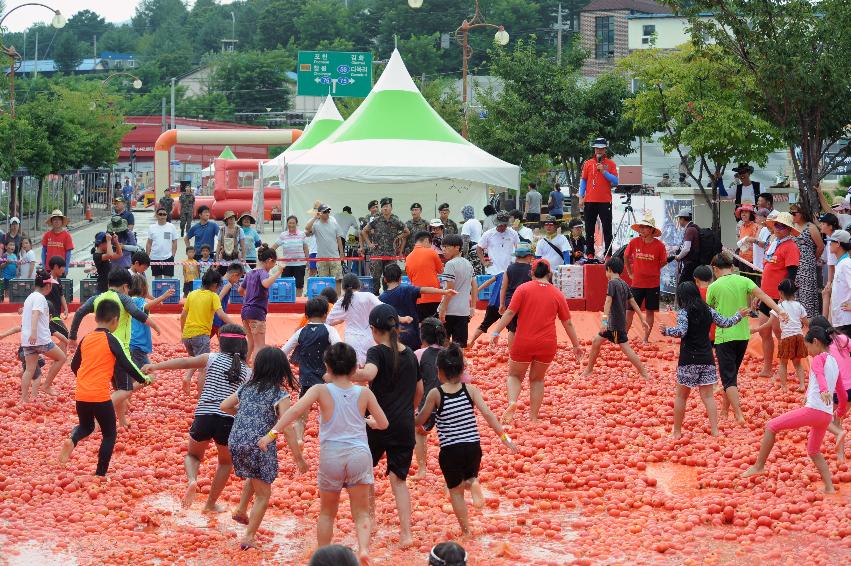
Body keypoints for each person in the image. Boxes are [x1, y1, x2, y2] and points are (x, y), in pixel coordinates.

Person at [263, 342, 388, 564]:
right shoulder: (364, 392)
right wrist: (370, 422)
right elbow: (384, 423)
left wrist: (271, 435)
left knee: (327, 513)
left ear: (327, 368)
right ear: (354, 369)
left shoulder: (320, 390)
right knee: (361, 513)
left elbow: (294, 411)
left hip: (332, 454)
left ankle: (323, 556)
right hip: (359, 453)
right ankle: (364, 550)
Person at [142, 324, 250, 511]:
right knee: (225, 462)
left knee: (193, 455)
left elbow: (185, 362)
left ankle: (192, 480)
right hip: (228, 420)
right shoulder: (247, 372)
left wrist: (155, 366)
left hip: (204, 416)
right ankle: (210, 504)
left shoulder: (212, 358)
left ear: (221, 343)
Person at [415, 344, 518, 535]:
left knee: (455, 491)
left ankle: (466, 531)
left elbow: (421, 420)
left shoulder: (436, 394)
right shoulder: (470, 390)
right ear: (462, 370)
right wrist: (505, 438)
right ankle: (473, 482)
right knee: (468, 477)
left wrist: (409, 417)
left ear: (439, 372)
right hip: (473, 447)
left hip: (450, 451)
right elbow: (488, 414)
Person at [220, 347, 307, 550]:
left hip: (236, 440)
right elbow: (286, 428)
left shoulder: (246, 387)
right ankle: (248, 538)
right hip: (259, 444)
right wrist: (298, 458)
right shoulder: (280, 394)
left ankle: (241, 509)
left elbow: (224, 405)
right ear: (281, 370)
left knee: (254, 473)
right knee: (263, 494)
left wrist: (243, 417)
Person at [353, 304, 423, 549]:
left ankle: (370, 522)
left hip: (377, 424)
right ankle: (406, 534)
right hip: (403, 425)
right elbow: (420, 390)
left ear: (374, 329)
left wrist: (343, 373)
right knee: (399, 481)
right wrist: (408, 410)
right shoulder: (411, 354)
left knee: (366, 474)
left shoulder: (377, 352)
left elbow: (369, 373)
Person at [58, 300, 151, 476]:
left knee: (86, 427)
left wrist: (85, 380)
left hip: (81, 394)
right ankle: (100, 474)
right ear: (115, 320)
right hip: (100, 396)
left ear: (96, 318)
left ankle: (72, 439)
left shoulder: (86, 338)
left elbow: (74, 366)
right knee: (109, 434)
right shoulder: (111, 339)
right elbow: (126, 364)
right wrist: (143, 378)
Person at [742, 327, 839, 493]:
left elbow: (820, 377)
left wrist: (822, 391)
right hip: (826, 414)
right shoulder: (834, 361)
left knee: (771, 426)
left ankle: (759, 466)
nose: (808, 351)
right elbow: (840, 388)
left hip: (814, 410)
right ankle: (829, 487)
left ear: (815, 342)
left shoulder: (818, 359)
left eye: (808, 347)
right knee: (813, 451)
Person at [491, 259, 584, 423]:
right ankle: (533, 417)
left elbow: (510, 313)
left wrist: (496, 331)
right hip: (547, 343)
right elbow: (567, 322)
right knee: (537, 379)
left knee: (514, 375)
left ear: (531, 273)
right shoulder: (557, 293)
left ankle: (513, 402)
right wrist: (576, 345)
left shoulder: (523, 289)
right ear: (550, 274)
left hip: (523, 340)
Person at [69, 268, 160, 428]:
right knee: (125, 390)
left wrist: (72, 336)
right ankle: (98, 415)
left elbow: (79, 312)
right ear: (126, 287)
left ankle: (122, 421)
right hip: (119, 351)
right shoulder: (124, 298)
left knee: (119, 389)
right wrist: (154, 325)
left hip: (101, 349)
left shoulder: (97, 298)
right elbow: (136, 313)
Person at [707, 251, 786, 425]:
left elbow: (709, 310)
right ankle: (725, 411)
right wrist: (780, 311)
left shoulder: (714, 286)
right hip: (743, 335)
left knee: (728, 378)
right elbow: (764, 296)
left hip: (724, 336)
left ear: (715, 269)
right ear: (731, 267)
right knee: (731, 375)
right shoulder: (744, 280)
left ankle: (738, 413)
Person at [661, 282, 746, 438]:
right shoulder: (708, 310)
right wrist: (738, 315)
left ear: (682, 297)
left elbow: (682, 331)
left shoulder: (684, 312)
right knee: (708, 397)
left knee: (681, 396)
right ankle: (715, 431)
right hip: (707, 359)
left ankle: (677, 432)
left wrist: (666, 331)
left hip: (688, 359)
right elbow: (725, 322)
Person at [281, 297, 342, 445]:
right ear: (325, 315)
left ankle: (299, 437)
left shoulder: (301, 332)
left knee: (302, 411)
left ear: (306, 316)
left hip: (306, 378)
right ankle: (327, 437)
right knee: (327, 409)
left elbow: (284, 351)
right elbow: (340, 347)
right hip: (325, 378)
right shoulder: (329, 330)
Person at [580, 257, 650, 381]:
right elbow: (633, 302)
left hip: (614, 325)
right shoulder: (624, 284)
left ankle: (644, 373)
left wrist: (604, 321)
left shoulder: (612, 283)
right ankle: (589, 369)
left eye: (606, 271)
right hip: (617, 323)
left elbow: (608, 301)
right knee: (596, 341)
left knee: (626, 349)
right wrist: (642, 318)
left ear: (609, 269)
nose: (606, 274)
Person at [759, 211, 801, 376]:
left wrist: (785, 299)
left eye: (782, 226)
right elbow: (766, 271)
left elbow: (791, 275)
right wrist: (759, 294)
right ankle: (768, 367)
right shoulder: (773, 243)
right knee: (764, 332)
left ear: (789, 229)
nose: (778, 228)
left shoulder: (790, 247)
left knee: (779, 333)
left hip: (779, 298)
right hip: (766, 295)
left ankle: (785, 368)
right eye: (776, 224)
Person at [182, 269, 235, 395]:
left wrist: (182, 333)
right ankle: (201, 397)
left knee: (195, 359)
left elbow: (183, 315)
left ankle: (188, 375)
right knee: (203, 368)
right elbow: (221, 314)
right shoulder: (213, 296)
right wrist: (236, 326)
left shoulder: (191, 294)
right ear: (215, 285)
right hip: (200, 335)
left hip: (187, 335)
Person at [379, 263, 455, 350]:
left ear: (385, 279)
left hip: (395, 337)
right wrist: (444, 292)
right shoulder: (407, 289)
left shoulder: (381, 298)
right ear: (400, 278)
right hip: (413, 335)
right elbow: (425, 289)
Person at [752, 279, 808, 391]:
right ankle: (802, 385)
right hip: (798, 337)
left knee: (783, 363)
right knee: (798, 364)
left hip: (786, 338)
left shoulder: (779, 307)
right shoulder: (799, 306)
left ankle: (784, 386)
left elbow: (769, 323)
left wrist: (756, 329)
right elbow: (806, 322)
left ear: (780, 293)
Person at [20, 270, 68, 403]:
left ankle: (24, 399)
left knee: (29, 370)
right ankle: (46, 385)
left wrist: (31, 334)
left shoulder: (29, 297)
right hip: (40, 339)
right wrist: (34, 332)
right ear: (48, 286)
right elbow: (35, 314)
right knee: (61, 358)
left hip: (27, 340)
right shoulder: (40, 298)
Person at [810, 316, 850, 462]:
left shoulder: (822, 351)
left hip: (836, 390)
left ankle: (837, 455)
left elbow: (819, 374)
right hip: (850, 388)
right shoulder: (843, 339)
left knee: (825, 420)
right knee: (836, 419)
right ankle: (839, 456)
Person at [412, 317, 448, 480]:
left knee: (420, 435)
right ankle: (450, 474)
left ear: (422, 336)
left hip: (426, 403)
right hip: (449, 402)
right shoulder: (451, 354)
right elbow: (463, 379)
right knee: (448, 437)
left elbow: (413, 380)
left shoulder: (418, 354)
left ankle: (421, 470)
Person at [624, 215, 668, 342]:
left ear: (652, 230)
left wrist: (654, 269)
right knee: (629, 310)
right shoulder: (634, 242)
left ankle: (645, 339)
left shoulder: (659, 246)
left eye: (645, 227)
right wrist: (629, 272)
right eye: (641, 227)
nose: (642, 230)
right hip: (636, 283)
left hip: (653, 284)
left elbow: (664, 261)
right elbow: (626, 256)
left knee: (650, 312)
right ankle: (624, 337)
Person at [240, 245, 283, 364]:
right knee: (259, 345)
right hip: (257, 312)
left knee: (251, 343)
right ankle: (256, 374)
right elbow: (265, 284)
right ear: (269, 261)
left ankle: (241, 369)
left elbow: (240, 290)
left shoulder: (249, 273)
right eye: (273, 264)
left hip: (245, 311)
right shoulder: (263, 273)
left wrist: (248, 298)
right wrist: (278, 272)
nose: (272, 267)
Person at [327, 274, 383, 366]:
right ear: (359, 285)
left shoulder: (342, 301)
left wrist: (340, 320)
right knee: (368, 368)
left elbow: (328, 321)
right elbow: (383, 308)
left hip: (351, 338)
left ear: (343, 287)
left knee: (352, 371)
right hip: (367, 337)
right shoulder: (368, 296)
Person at [579, 138, 618, 257]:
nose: (599, 150)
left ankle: (608, 254)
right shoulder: (588, 163)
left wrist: (604, 172)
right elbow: (584, 180)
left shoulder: (611, 164)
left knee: (607, 228)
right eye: (597, 148)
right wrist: (581, 196)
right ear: (594, 149)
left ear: (605, 149)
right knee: (589, 228)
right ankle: (590, 253)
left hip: (605, 201)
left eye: (601, 148)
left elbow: (616, 181)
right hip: (590, 200)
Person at [363, 197, 408, 295]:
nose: (385, 208)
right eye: (383, 207)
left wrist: (398, 237)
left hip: (390, 254)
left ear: (391, 207)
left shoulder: (396, 221)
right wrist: (369, 244)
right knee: (375, 277)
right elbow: (364, 231)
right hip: (377, 254)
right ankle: (375, 297)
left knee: (390, 277)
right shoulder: (376, 220)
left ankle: (388, 297)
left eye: (387, 206)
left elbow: (407, 232)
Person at [128, 274, 174, 369]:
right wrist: (163, 297)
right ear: (143, 288)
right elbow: (146, 306)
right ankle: (132, 384)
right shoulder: (138, 301)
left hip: (132, 342)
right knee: (147, 374)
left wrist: (153, 298)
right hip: (138, 344)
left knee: (137, 371)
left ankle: (131, 383)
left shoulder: (129, 300)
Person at [438, 235, 477, 347]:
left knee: (443, 344)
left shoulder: (450, 264)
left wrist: (442, 309)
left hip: (449, 310)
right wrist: (473, 307)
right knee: (460, 346)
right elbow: (474, 286)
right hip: (463, 311)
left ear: (457, 247)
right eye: (443, 247)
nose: (443, 250)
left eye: (446, 247)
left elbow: (449, 290)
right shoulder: (468, 264)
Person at [788, 202, 824, 318]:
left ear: (802, 213)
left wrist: (812, 258)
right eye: (790, 213)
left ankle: (809, 319)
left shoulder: (811, 227)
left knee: (807, 293)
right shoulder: (791, 227)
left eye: (794, 213)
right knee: (794, 292)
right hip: (794, 265)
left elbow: (820, 246)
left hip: (806, 265)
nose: (792, 215)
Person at [405, 231, 445, 322]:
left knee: (421, 326)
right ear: (427, 240)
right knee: (436, 325)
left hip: (417, 297)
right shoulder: (431, 252)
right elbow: (441, 270)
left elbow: (410, 277)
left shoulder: (408, 257)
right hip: (434, 296)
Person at [499, 243, 533, 348]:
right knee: (527, 327)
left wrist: (501, 304)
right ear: (528, 256)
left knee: (512, 329)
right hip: (527, 302)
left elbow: (503, 288)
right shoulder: (532, 270)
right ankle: (525, 350)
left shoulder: (509, 269)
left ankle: (512, 353)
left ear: (516, 256)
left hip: (511, 301)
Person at [306, 203, 345, 290]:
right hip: (321, 258)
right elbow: (307, 228)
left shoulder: (334, 223)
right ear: (320, 213)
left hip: (335, 257)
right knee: (323, 281)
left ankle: (337, 298)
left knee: (337, 280)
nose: (327, 213)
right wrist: (315, 217)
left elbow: (339, 239)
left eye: (328, 211)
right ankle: (326, 299)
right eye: (325, 211)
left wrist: (341, 253)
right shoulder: (316, 225)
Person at [273, 215, 310, 292]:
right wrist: (271, 256)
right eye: (290, 223)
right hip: (287, 265)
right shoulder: (283, 235)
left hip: (300, 264)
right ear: (287, 224)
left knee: (299, 285)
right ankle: (287, 303)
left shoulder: (302, 234)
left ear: (297, 224)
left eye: (293, 223)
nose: (291, 225)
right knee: (285, 285)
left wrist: (308, 261)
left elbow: (305, 248)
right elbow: (274, 247)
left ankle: (298, 301)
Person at [827, 229, 851, 336]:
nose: (829, 244)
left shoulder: (846, 264)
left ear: (838, 244)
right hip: (841, 319)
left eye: (831, 242)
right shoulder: (841, 263)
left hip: (846, 320)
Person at [469, 271, 504, 344]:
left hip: (492, 304)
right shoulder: (516, 276)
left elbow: (488, 282)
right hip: (505, 306)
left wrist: (478, 290)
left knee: (484, 325)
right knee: (512, 328)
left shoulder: (501, 274)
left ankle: (471, 341)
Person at [145, 207, 179, 278]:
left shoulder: (171, 227)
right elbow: (149, 243)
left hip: (168, 257)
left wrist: (173, 255)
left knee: (168, 280)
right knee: (158, 281)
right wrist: (147, 256)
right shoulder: (152, 227)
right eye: (160, 214)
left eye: (164, 214)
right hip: (155, 257)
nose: (162, 216)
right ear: (156, 215)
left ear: (166, 215)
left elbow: (175, 242)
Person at [819, 212, 841, 317]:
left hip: (839, 275)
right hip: (838, 274)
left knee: (828, 295)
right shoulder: (831, 237)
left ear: (830, 226)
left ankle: (826, 325)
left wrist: (829, 282)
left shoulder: (833, 239)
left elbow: (831, 264)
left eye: (823, 224)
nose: (821, 226)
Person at [44, 256, 70, 344]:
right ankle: (60, 356)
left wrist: (66, 308)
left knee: (62, 334)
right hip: (50, 315)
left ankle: (58, 354)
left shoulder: (58, 280)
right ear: (55, 267)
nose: (64, 270)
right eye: (63, 267)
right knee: (65, 334)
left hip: (56, 315)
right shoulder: (46, 280)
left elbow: (61, 295)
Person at [673, 208, 700, 284]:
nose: (678, 221)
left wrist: (678, 257)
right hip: (694, 264)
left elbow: (686, 249)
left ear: (682, 219)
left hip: (690, 264)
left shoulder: (690, 230)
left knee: (683, 286)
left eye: (679, 219)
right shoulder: (694, 228)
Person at [217, 210, 246, 275]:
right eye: (230, 217)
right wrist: (217, 259)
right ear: (226, 220)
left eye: (233, 217)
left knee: (236, 279)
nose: (232, 218)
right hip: (224, 259)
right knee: (223, 279)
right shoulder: (222, 230)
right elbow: (218, 245)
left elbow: (243, 246)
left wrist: (243, 259)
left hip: (236, 258)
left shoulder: (239, 230)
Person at [460, 205, 484, 274]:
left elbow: (465, 241)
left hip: (472, 251)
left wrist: (464, 254)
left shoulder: (467, 224)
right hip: (479, 249)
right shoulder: (478, 222)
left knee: (471, 273)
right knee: (478, 272)